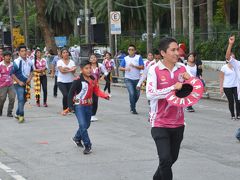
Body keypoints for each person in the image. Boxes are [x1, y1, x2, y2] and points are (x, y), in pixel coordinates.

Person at [146, 37, 191, 180]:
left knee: (171, 159)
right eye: (173, 50)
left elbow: (191, 93)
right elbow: (150, 94)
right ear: (163, 53)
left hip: (178, 122)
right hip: (160, 122)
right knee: (165, 159)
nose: (177, 53)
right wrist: (172, 87)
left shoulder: (182, 69)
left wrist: (190, 82)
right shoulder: (154, 69)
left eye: (177, 49)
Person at [68, 60, 110, 154]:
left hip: (89, 106)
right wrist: (70, 106)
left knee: (86, 125)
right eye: (86, 68)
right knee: (83, 125)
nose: (89, 70)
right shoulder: (77, 80)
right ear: (82, 70)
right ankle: (88, 145)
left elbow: (97, 91)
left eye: (90, 68)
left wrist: (105, 96)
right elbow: (70, 93)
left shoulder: (93, 79)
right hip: (79, 106)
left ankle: (77, 138)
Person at [11, 45, 33, 123]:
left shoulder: (30, 61)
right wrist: (19, 82)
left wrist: (29, 79)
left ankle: (17, 113)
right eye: (22, 51)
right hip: (18, 83)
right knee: (20, 98)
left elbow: (31, 71)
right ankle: (21, 115)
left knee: (25, 99)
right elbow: (12, 74)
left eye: (25, 51)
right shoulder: (17, 61)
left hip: (26, 83)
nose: (24, 52)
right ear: (19, 53)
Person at [119, 44, 144, 114]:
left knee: (137, 95)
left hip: (137, 79)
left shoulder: (138, 57)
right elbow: (120, 68)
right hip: (128, 79)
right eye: (129, 50)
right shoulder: (125, 58)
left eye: (132, 50)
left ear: (135, 51)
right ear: (128, 51)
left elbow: (142, 67)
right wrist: (125, 69)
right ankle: (133, 109)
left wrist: (134, 66)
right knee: (132, 93)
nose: (130, 51)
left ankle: (132, 105)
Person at [89, 54, 108, 122]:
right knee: (89, 100)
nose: (93, 59)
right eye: (91, 58)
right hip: (88, 86)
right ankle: (88, 114)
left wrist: (102, 77)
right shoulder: (88, 66)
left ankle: (93, 115)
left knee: (95, 100)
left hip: (96, 86)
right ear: (89, 59)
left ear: (96, 59)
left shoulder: (100, 65)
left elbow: (106, 72)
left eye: (94, 57)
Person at [57, 48, 76, 115]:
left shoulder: (72, 62)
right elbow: (62, 71)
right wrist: (70, 69)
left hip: (70, 81)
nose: (65, 54)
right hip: (61, 81)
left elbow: (74, 70)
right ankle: (65, 109)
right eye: (64, 53)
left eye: (66, 52)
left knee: (71, 95)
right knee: (65, 95)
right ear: (61, 54)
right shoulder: (59, 62)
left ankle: (70, 108)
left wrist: (67, 69)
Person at [0, 51, 16, 117]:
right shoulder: (0, 65)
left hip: (11, 84)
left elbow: (16, 74)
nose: (8, 57)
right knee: (2, 99)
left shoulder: (13, 65)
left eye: (9, 56)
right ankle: (0, 110)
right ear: (3, 57)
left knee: (12, 98)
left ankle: (9, 112)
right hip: (2, 85)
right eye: (6, 56)